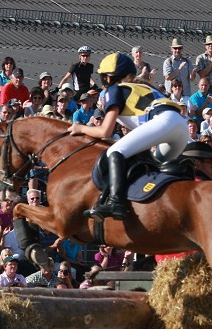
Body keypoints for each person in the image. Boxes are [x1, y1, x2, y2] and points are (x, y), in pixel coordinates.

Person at [70, 52, 187, 220]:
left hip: (163, 121)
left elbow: (105, 131)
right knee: (154, 171)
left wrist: (80, 128)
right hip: (179, 126)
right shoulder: (143, 86)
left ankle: (115, 202)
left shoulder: (114, 89)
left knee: (115, 153)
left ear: (109, 78)